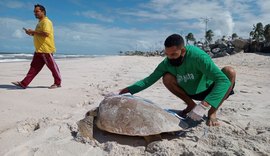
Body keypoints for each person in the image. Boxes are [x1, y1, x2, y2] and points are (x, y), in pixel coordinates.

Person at [119, 34, 236, 126]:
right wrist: (123, 92)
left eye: (174, 54)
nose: (170, 58)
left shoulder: (198, 57)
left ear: (183, 51)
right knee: (167, 78)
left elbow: (223, 81)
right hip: (190, 92)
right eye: (167, 54)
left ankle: (212, 113)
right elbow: (147, 81)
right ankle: (191, 105)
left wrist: (205, 105)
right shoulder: (166, 63)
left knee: (230, 72)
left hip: (209, 89)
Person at [12, 4, 61, 89]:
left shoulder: (46, 21)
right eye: (34, 12)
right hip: (39, 50)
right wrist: (30, 33)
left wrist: (33, 31)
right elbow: (39, 35)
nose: (35, 13)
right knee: (33, 68)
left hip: (46, 50)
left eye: (37, 11)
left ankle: (57, 83)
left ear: (43, 12)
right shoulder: (40, 23)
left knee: (52, 67)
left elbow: (46, 33)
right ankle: (24, 83)